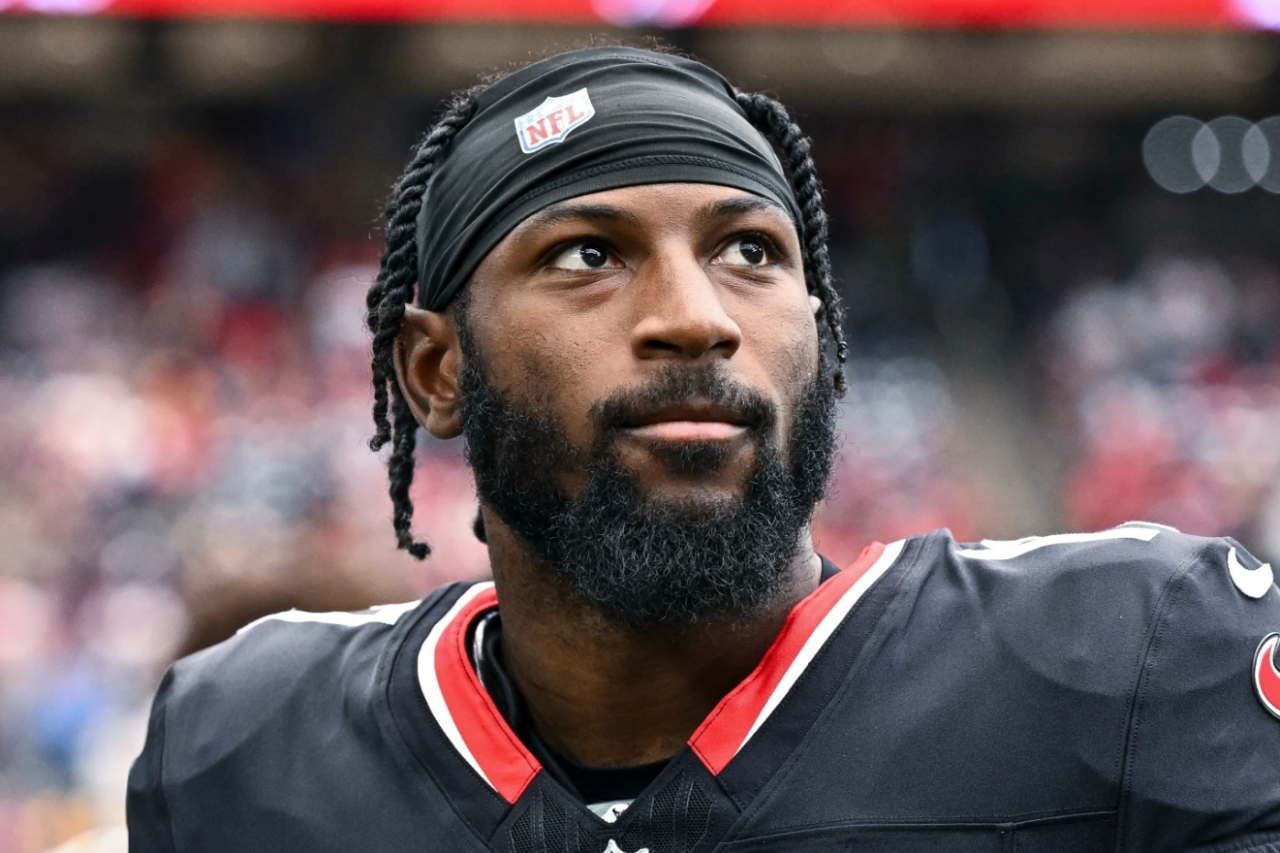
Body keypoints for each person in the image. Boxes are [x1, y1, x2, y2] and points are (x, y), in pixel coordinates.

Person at [126, 45, 1280, 853]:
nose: (696, 314)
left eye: (749, 252)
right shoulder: (240, 748)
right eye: (586, 254)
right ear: (436, 372)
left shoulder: (1140, 662)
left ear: (822, 343)